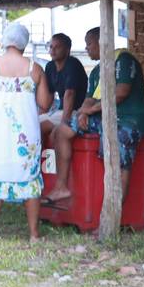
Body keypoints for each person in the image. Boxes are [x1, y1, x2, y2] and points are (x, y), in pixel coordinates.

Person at [0, 22, 49, 243]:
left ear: (6, 40)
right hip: (27, 136)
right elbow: (44, 103)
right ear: (24, 43)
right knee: (29, 179)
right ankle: (34, 234)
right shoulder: (34, 68)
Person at [72, 26, 144, 199]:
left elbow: (121, 92)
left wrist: (91, 110)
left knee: (119, 161)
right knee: (66, 128)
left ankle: (116, 216)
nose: (87, 48)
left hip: (128, 120)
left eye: (89, 43)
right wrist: (83, 113)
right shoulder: (96, 71)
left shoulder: (123, 60)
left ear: (101, 42)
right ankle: (65, 188)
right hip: (105, 119)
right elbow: (89, 99)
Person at [39, 32, 88, 203]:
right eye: (50, 46)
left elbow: (69, 95)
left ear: (67, 49)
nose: (52, 50)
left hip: (75, 111)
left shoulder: (73, 64)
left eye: (57, 46)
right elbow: (49, 96)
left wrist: (64, 122)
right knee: (33, 124)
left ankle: (34, 173)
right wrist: (40, 112)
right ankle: (37, 173)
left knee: (40, 127)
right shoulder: (50, 67)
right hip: (59, 110)